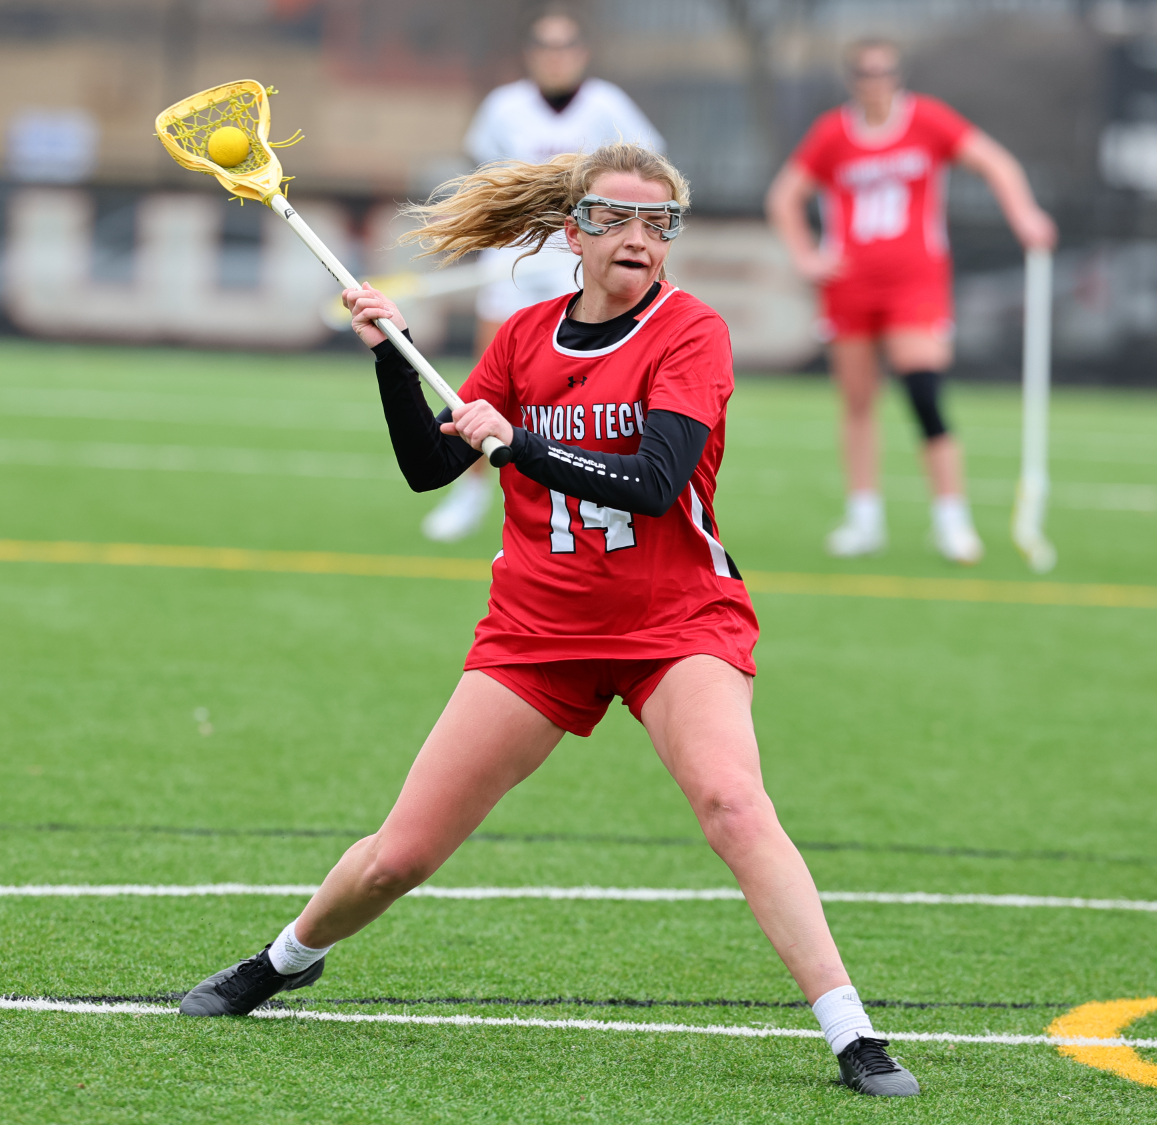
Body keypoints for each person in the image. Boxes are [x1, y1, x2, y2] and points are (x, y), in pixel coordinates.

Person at [176, 142, 921, 1099]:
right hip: (537, 632)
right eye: (619, 220)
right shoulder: (526, 338)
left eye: (661, 225)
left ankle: (851, 1031)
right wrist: (392, 360)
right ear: (575, 231)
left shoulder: (692, 333)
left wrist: (517, 442)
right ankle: (284, 959)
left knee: (735, 806)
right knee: (400, 854)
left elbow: (656, 485)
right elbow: (430, 467)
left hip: (675, 621)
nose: (642, 241)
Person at [765, 39, 1054, 564]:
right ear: (851, 78)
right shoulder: (833, 133)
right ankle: (864, 517)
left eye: (884, 71)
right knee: (857, 400)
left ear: (898, 76)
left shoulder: (929, 122)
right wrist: (807, 256)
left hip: (915, 284)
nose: (874, 81)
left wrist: (1025, 216)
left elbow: (996, 164)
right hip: (850, 285)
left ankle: (951, 519)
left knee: (924, 392)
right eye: (864, 72)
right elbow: (785, 196)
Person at [420, 9, 663, 543]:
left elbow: (647, 172)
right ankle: (471, 491)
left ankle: (578, 493)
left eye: (566, 44)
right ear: (531, 53)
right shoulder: (503, 107)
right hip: (512, 261)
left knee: (580, 389)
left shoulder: (608, 105)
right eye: (545, 45)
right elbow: (490, 182)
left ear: (582, 52)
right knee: (490, 378)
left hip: (582, 266)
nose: (556, 54)